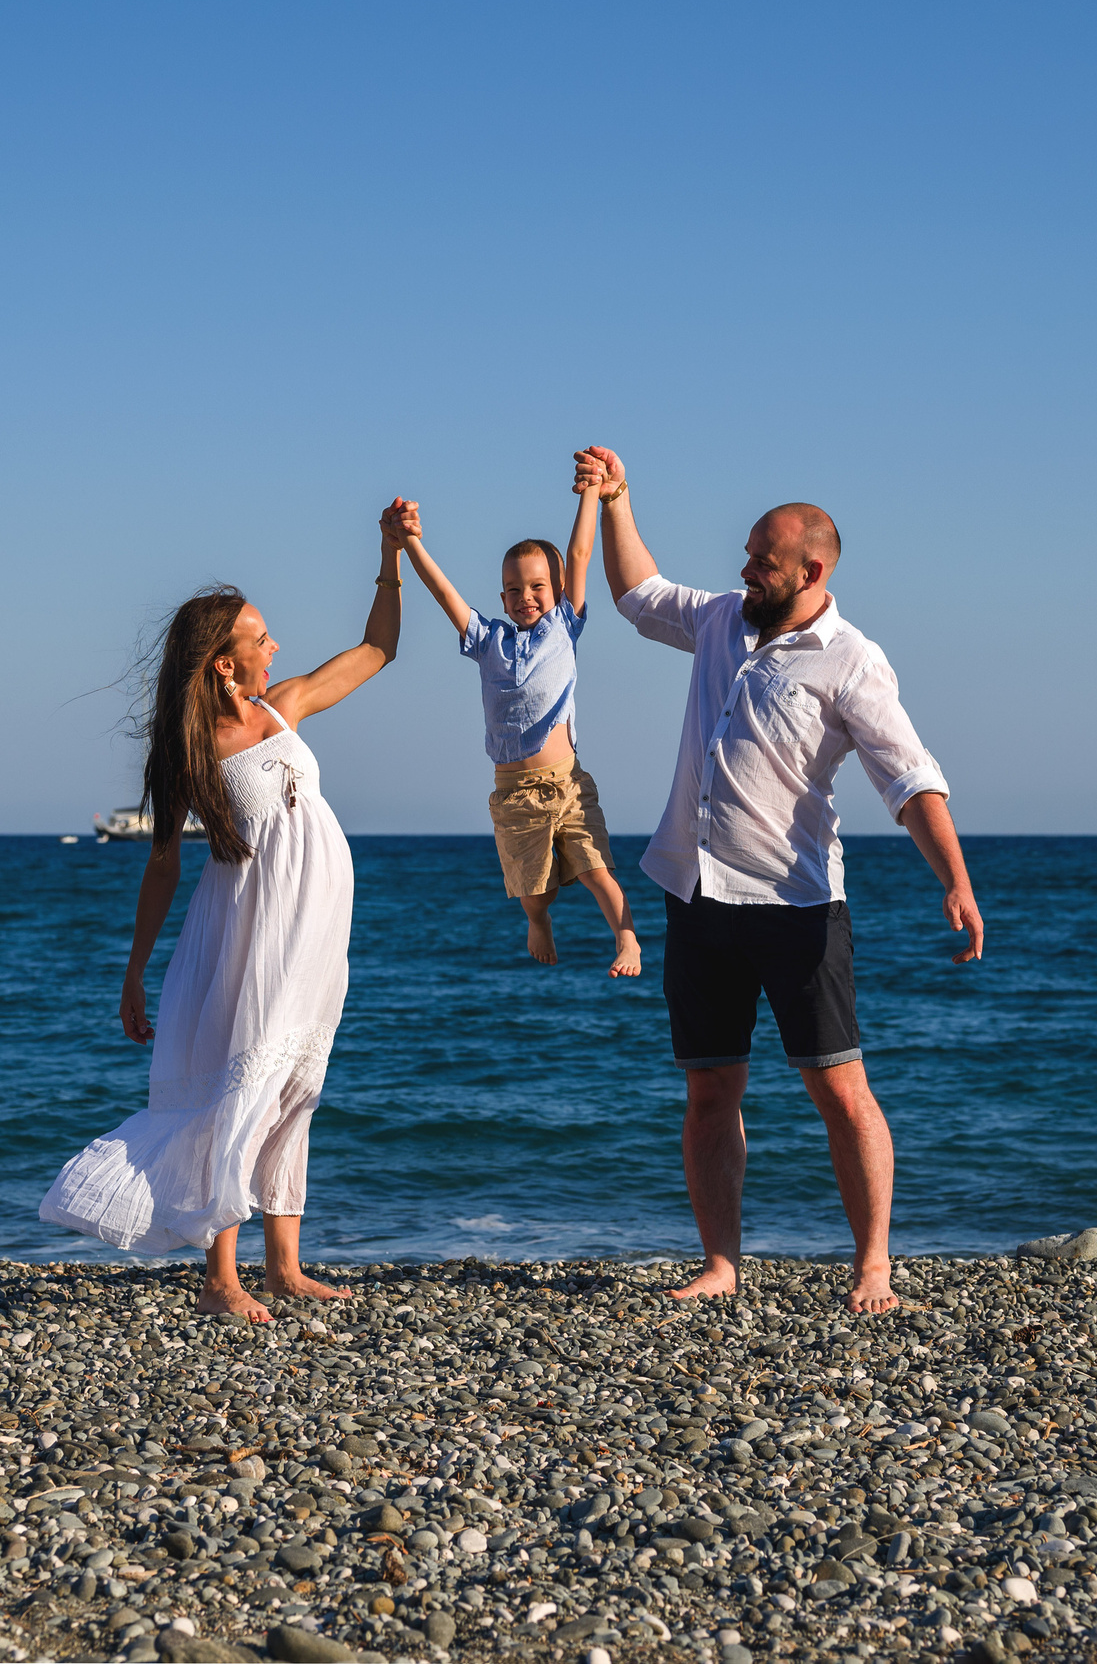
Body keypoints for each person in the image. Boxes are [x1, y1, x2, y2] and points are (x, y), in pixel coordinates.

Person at [576, 446, 983, 1315]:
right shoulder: (722, 619)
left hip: (795, 906)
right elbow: (637, 594)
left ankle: (872, 1265)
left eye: (761, 559)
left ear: (812, 568)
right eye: (749, 556)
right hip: (695, 894)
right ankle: (721, 1261)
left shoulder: (851, 659)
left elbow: (907, 774)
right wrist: (617, 499)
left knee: (839, 1086)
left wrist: (954, 876)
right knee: (710, 1089)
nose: (743, 569)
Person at [38, 505, 409, 1321]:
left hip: (314, 929)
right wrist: (135, 967)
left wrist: (389, 553)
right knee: (244, 1081)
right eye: (260, 636)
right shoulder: (190, 750)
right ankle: (219, 1276)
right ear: (220, 661)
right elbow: (164, 862)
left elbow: (378, 646)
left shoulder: (285, 706)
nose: (275, 645)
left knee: (294, 1084)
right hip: (248, 930)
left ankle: (284, 1265)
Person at [394, 484, 642, 976]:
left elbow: (579, 551)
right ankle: (539, 919)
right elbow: (444, 591)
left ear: (560, 589)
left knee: (598, 869)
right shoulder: (487, 640)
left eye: (537, 586)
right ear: (501, 597)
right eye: (513, 589)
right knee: (534, 888)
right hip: (513, 794)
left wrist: (590, 491)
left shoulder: (564, 626)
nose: (525, 596)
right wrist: (410, 543)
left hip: (567, 782)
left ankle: (627, 939)